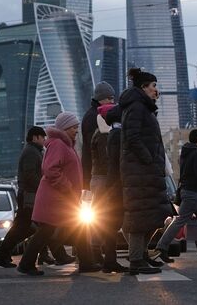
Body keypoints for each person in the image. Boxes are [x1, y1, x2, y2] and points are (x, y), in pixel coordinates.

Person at [17, 113, 100, 276]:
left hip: (62, 198)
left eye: (77, 126)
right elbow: (50, 169)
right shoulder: (58, 144)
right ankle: (26, 264)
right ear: (65, 128)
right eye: (74, 127)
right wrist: (68, 186)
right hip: (55, 198)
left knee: (77, 228)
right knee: (47, 231)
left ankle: (86, 262)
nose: (77, 130)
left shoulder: (66, 144)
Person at [0, 127, 73, 268]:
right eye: (42, 138)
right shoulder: (31, 152)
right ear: (35, 137)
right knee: (42, 225)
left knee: (33, 226)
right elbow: (30, 175)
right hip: (30, 196)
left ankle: (3, 255)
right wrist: (43, 188)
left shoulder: (34, 151)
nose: (44, 140)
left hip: (29, 195)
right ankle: (58, 255)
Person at [118, 69, 173, 275]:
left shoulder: (143, 107)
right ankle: (136, 260)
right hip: (139, 171)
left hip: (146, 171)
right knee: (140, 217)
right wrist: (149, 159)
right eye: (153, 86)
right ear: (143, 87)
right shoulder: (137, 107)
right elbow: (132, 137)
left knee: (154, 215)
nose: (156, 90)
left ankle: (142, 255)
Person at [150, 129, 197, 263]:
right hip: (192, 193)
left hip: (191, 191)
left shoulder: (185, 152)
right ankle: (161, 247)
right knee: (180, 221)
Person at [90, 103, 128, 273]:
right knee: (110, 222)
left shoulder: (104, 134)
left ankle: (105, 258)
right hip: (110, 184)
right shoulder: (109, 135)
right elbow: (113, 162)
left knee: (108, 222)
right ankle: (104, 257)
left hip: (107, 182)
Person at [81, 81, 115, 263]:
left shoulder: (92, 115)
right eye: (110, 98)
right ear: (102, 99)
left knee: (98, 215)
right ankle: (93, 252)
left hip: (93, 173)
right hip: (98, 174)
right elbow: (101, 150)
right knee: (99, 216)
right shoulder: (96, 118)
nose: (112, 102)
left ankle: (94, 252)